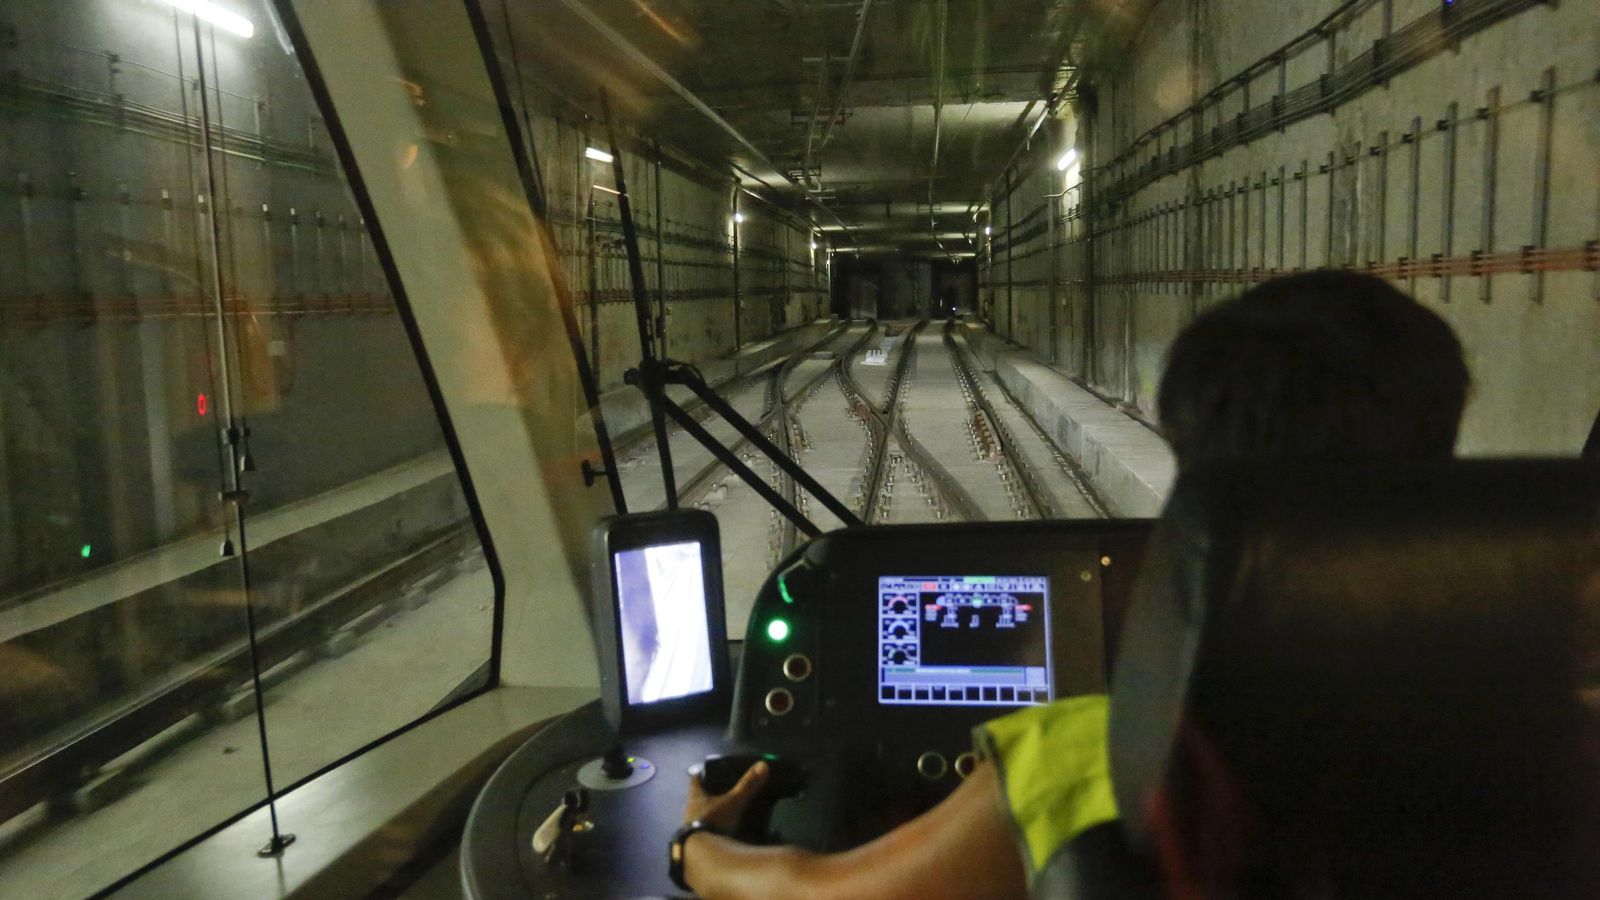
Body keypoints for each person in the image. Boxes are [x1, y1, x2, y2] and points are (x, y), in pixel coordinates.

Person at [675, 271, 1471, 899]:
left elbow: (814, 893)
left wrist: (698, 847)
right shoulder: (1503, 729)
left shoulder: (1115, 752)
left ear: (1203, 498)